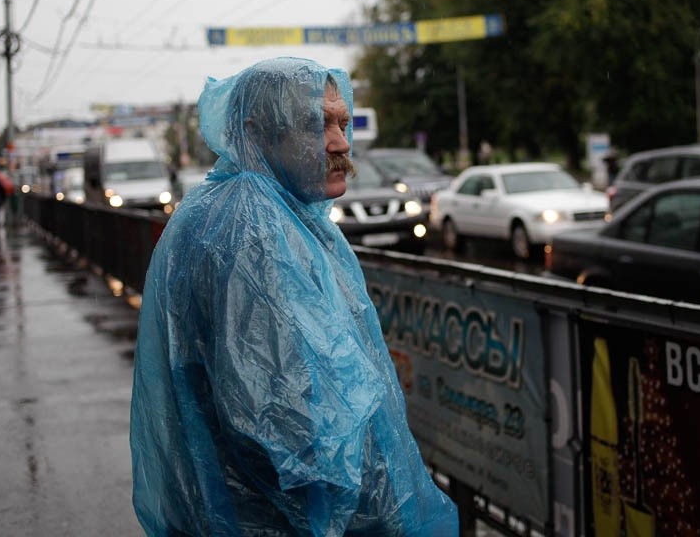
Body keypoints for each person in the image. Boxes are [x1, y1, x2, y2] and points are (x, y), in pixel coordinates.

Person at [129, 57, 459, 536]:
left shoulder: (262, 211)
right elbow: (279, 426)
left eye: (343, 123)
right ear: (256, 132)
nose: (341, 142)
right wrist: (372, 516)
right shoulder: (251, 225)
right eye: (316, 123)